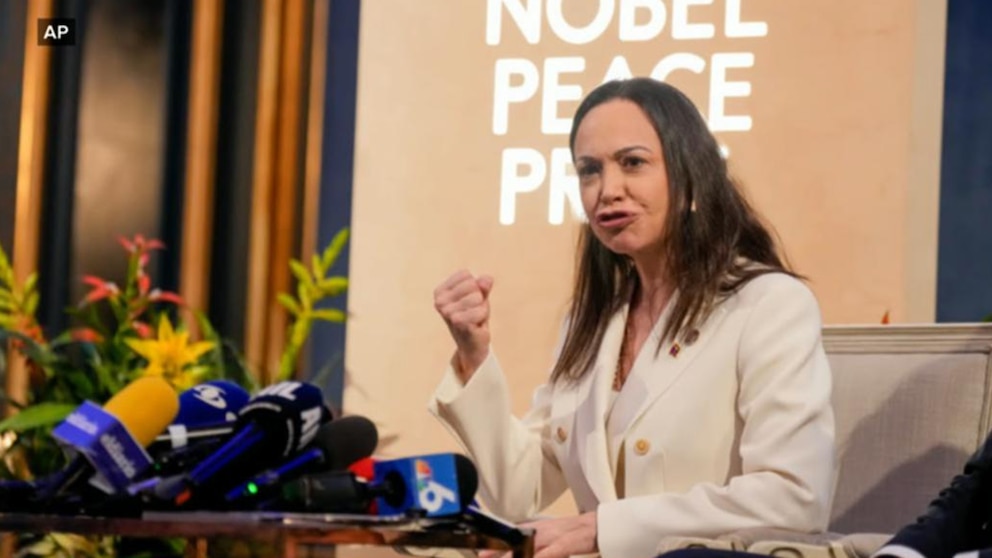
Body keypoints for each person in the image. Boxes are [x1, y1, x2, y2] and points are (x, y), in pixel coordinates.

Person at [429, 77, 836, 558]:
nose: (607, 190)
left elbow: (794, 497)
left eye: (633, 163)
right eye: (589, 171)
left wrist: (603, 529)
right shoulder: (592, 321)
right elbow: (519, 490)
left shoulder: (768, 305)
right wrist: (474, 354)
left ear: (691, 177)